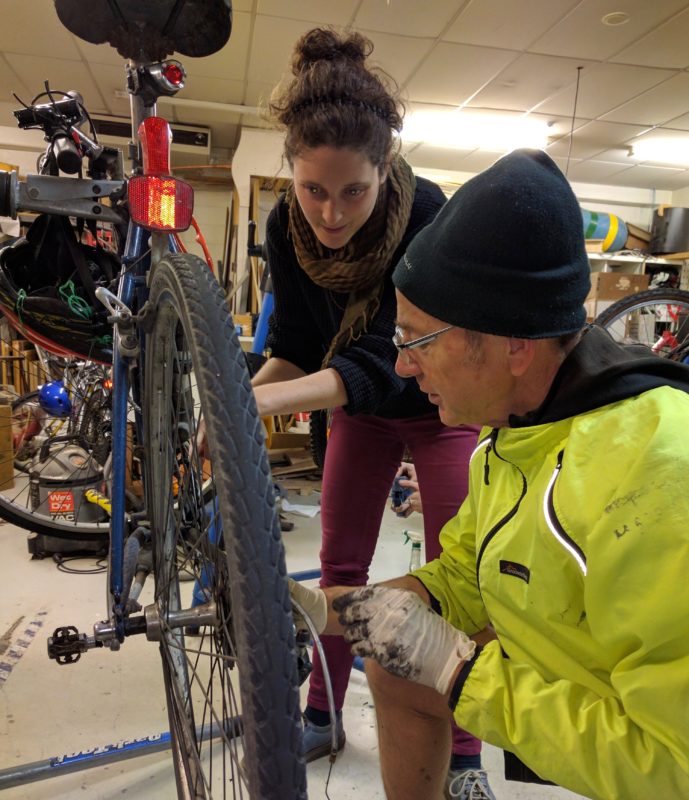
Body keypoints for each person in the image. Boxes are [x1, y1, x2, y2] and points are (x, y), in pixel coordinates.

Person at [289, 148, 689, 800]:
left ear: (511, 346)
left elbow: (671, 765)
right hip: (593, 676)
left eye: (416, 341)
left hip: (661, 749)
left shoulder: (656, 478)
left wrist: (457, 672)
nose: (403, 368)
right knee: (396, 670)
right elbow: (462, 581)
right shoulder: (514, 429)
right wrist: (313, 610)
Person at [251, 26, 487, 796]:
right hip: (355, 411)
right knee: (340, 565)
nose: (330, 212)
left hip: (437, 401)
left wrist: (282, 394)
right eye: (313, 189)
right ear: (292, 173)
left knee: (461, 576)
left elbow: (389, 354)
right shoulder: (284, 229)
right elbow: (292, 342)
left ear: (384, 170)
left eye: (353, 190)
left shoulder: (428, 213)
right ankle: (322, 713)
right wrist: (240, 396)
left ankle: (463, 752)